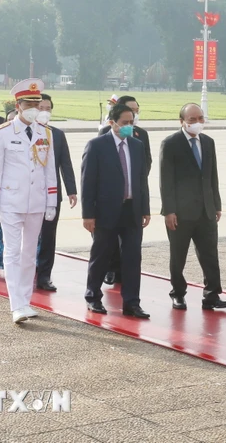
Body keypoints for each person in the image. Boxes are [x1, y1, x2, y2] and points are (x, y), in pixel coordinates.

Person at [0, 78, 57, 324]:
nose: (35, 108)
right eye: (29, 104)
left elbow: (49, 169)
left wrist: (51, 201)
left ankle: (26, 301)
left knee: (29, 254)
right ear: (18, 105)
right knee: (13, 253)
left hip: (36, 202)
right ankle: (17, 305)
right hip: (10, 202)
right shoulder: (2, 132)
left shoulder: (44, 132)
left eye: (37, 104)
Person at [82, 103, 150, 318]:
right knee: (101, 255)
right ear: (112, 122)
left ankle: (132, 302)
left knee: (132, 257)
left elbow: (141, 180)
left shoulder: (137, 145)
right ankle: (93, 297)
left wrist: (145, 209)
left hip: (132, 209)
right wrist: (88, 214)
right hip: (105, 211)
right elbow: (87, 182)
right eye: (124, 123)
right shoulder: (96, 146)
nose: (129, 126)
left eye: (132, 122)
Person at [160, 103, 226, 311]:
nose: (197, 123)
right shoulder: (171, 143)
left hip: (206, 210)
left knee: (210, 254)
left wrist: (216, 204)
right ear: (181, 121)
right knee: (178, 255)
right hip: (180, 213)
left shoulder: (208, 142)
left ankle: (212, 295)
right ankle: (178, 294)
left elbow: (212, 176)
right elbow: (166, 180)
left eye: (200, 118)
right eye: (192, 120)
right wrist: (169, 210)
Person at [98, 95, 151, 285]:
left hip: (133, 196)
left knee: (131, 245)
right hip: (112, 198)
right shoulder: (105, 133)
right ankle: (111, 269)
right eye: (131, 110)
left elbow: (146, 161)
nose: (134, 115)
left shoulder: (141, 135)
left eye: (136, 111)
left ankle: (128, 282)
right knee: (110, 242)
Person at [35, 94, 77, 292]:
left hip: (52, 195)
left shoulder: (58, 135)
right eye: (41, 107)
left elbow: (65, 164)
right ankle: (26, 273)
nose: (45, 111)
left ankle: (44, 276)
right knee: (30, 235)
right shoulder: (26, 133)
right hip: (30, 193)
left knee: (49, 235)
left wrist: (71, 190)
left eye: (48, 108)